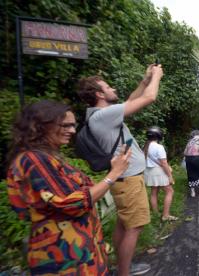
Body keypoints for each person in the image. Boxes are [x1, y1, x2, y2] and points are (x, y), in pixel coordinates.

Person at [6, 100, 131, 275]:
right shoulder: (34, 160)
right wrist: (113, 174)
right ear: (41, 126)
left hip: (82, 254)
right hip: (65, 259)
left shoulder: (50, 157)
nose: (72, 131)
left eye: (73, 125)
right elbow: (73, 203)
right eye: (65, 125)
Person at [77, 64, 163, 276]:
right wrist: (156, 77)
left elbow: (130, 102)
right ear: (99, 94)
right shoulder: (103, 115)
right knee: (134, 227)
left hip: (124, 179)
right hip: (130, 180)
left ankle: (121, 265)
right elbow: (149, 97)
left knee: (124, 225)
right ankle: (124, 272)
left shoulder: (100, 115)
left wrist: (144, 81)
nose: (112, 88)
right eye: (107, 87)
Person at [143, 126, 178, 221]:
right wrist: (170, 176)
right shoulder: (159, 147)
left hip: (149, 171)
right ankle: (165, 215)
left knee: (154, 192)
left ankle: (155, 213)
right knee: (169, 191)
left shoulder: (145, 146)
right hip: (158, 171)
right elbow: (163, 163)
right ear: (159, 135)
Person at [184, 130, 199, 197]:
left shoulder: (190, 141)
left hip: (188, 159)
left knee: (191, 174)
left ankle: (193, 192)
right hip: (198, 158)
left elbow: (184, 152)